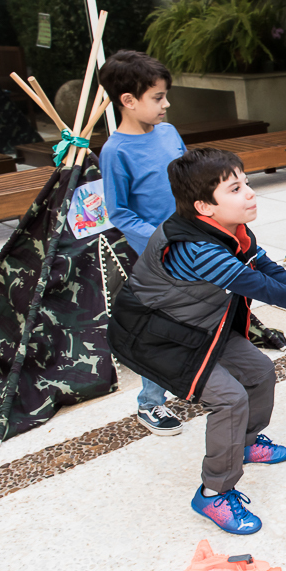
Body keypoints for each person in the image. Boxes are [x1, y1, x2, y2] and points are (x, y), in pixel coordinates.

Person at [106, 148, 286, 534]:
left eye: (246, 182)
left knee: (260, 371)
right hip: (158, 337)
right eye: (235, 188)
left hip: (199, 326)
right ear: (204, 206)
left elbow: (271, 271)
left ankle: (246, 443)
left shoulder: (231, 231)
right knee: (229, 399)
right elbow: (266, 289)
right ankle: (214, 493)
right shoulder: (197, 248)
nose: (250, 193)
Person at [98, 50, 188, 435]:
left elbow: (190, 181)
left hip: (193, 243)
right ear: (128, 101)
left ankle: (197, 379)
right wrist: (161, 240)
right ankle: (150, 403)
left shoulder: (168, 132)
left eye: (165, 95)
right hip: (158, 255)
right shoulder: (115, 152)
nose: (166, 104)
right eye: (157, 98)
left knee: (199, 313)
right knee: (162, 325)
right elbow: (119, 213)